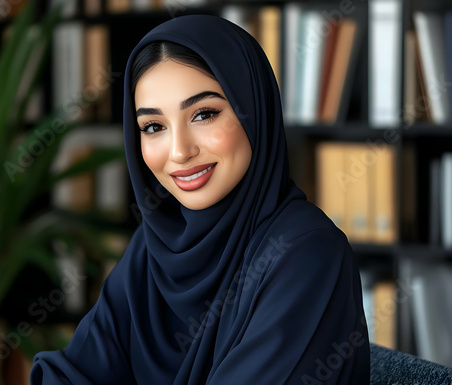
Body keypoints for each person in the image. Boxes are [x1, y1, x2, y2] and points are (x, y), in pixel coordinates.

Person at [31, 14, 370, 384]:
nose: (179, 152)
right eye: (154, 127)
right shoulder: (154, 246)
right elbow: (69, 374)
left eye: (204, 114)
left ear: (253, 111)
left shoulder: (308, 252)